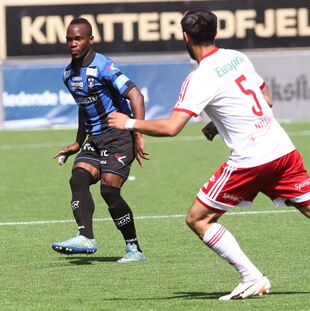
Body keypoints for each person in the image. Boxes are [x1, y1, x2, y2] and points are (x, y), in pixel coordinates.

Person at [108, 9, 310, 299]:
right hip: (282, 150)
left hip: (251, 161)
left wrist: (128, 122)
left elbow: (171, 127)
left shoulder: (199, 77)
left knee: (198, 219)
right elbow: (266, 99)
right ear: (215, 33)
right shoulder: (237, 57)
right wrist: (218, 122)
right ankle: (252, 278)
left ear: (185, 37)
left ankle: (252, 277)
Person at [51, 17, 150, 263]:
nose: (73, 43)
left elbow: (135, 95)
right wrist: (77, 142)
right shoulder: (68, 74)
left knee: (109, 191)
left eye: (78, 38)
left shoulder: (104, 67)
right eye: (69, 39)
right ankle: (85, 238)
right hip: (95, 138)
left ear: (90, 40)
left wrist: (137, 133)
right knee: (78, 177)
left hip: (118, 136)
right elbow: (84, 108)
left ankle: (134, 249)